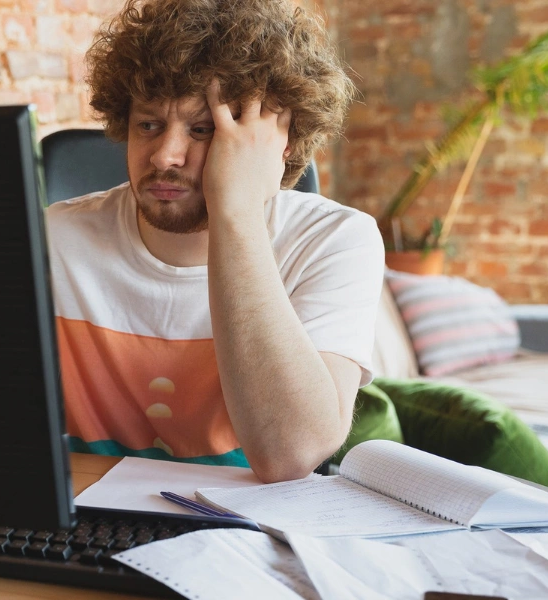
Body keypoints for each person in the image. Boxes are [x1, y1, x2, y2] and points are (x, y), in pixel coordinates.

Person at [47, 0, 384, 482]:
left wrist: (237, 209)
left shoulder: (334, 241)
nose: (164, 155)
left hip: (249, 538)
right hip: (83, 530)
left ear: (278, 143)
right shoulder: (50, 241)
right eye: (149, 125)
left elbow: (290, 455)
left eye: (203, 130)